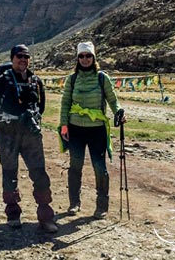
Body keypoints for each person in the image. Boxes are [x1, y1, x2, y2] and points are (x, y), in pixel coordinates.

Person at [0, 44, 58, 233]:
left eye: (26, 57)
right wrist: (8, 123)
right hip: (8, 135)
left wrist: (30, 120)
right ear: (12, 58)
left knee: (39, 173)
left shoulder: (36, 81)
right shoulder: (1, 81)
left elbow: (40, 107)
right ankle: (13, 213)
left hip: (31, 136)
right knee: (9, 173)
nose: (23, 60)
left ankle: (46, 216)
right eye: (19, 56)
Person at [59, 42, 125, 219]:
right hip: (75, 129)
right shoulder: (71, 79)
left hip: (97, 130)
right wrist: (64, 125)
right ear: (77, 58)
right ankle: (74, 203)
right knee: (75, 165)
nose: (85, 59)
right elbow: (65, 104)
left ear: (94, 58)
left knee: (99, 167)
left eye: (88, 56)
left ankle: (102, 206)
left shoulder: (102, 78)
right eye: (82, 56)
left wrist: (118, 111)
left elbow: (112, 100)